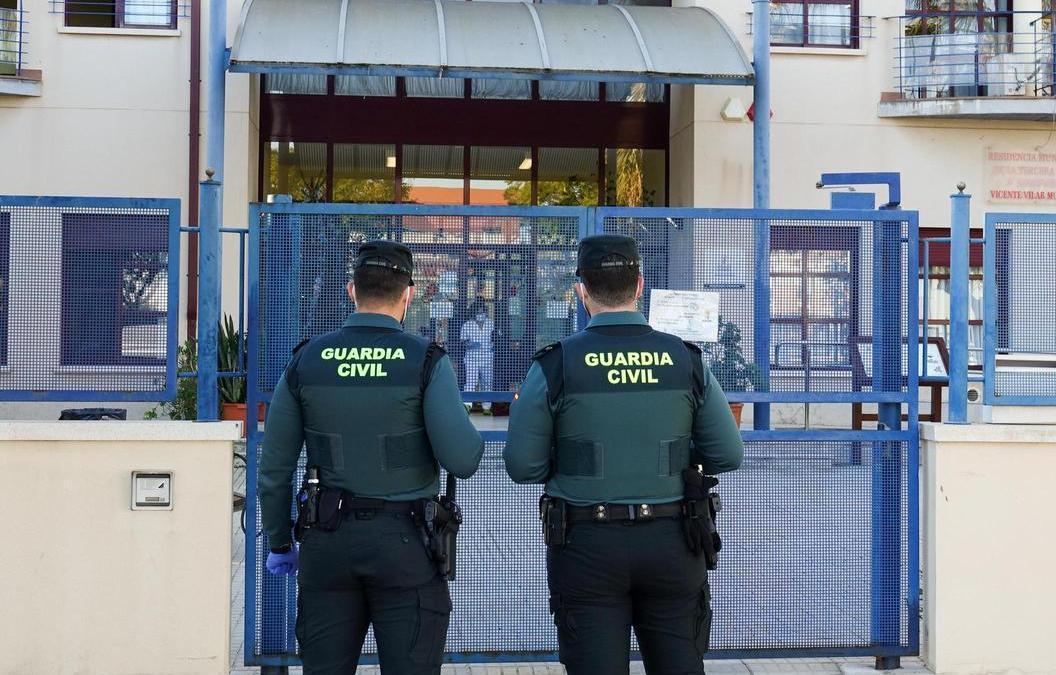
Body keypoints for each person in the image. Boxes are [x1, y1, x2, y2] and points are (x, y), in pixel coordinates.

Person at [503, 234, 744, 675]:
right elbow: (727, 454)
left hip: (587, 545)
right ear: (639, 286)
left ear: (581, 290)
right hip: (674, 541)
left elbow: (523, 466)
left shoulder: (555, 364)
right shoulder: (685, 360)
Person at [259, 240, 484, 675]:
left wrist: (280, 543)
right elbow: (463, 459)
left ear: (351, 290)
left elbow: (274, 470)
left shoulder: (306, 361)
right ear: (409, 295)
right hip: (406, 546)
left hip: (327, 544)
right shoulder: (426, 361)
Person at [460, 302, 495, 412]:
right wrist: (470, 345)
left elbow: (497, 339)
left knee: (487, 382)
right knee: (471, 382)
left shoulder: (491, 324)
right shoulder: (467, 325)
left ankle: (487, 408)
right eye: (478, 312)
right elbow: (462, 342)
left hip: (487, 358)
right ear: (473, 312)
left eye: (482, 311)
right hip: (471, 359)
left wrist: (493, 346)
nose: (481, 314)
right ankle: (467, 406)